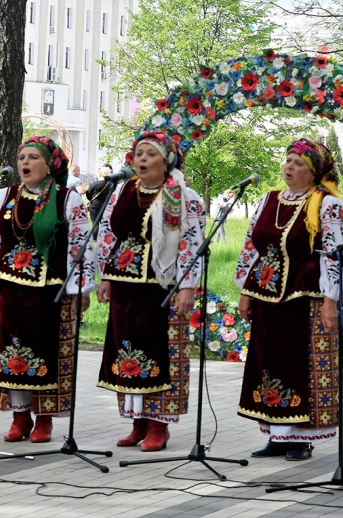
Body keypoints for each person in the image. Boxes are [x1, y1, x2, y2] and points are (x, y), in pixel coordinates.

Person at [0, 136, 97, 443]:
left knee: (45, 354)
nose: (25, 163)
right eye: (22, 157)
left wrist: (81, 289)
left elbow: (80, 245)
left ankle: (43, 420)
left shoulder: (67, 199)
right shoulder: (3, 196)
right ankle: (19, 418)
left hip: (48, 292)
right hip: (7, 290)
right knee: (10, 352)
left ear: (50, 164)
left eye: (33, 157)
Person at [236, 139, 343, 461]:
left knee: (303, 364)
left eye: (299, 163)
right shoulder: (268, 199)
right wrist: (245, 290)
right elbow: (250, 246)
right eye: (288, 160)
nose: (289, 167)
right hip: (266, 296)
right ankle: (277, 434)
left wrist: (330, 301)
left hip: (306, 298)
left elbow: (334, 256)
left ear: (314, 172)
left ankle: (302, 438)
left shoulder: (328, 205)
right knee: (269, 362)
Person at [96, 131, 205, 452]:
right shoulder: (121, 191)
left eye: (149, 154)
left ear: (167, 160)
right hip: (125, 286)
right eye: (138, 153)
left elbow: (191, 246)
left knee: (162, 354)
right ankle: (137, 422)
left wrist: (187, 287)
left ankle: (159, 426)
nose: (141, 159)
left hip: (163, 288)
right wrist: (105, 276)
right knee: (127, 351)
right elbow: (108, 235)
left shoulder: (184, 197)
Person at [85, 165, 114, 239]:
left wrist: (91, 199)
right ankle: (105, 238)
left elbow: (88, 194)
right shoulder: (110, 184)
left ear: (100, 174)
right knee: (104, 223)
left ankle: (95, 239)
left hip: (95, 205)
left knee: (95, 223)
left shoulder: (95, 184)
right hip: (105, 205)